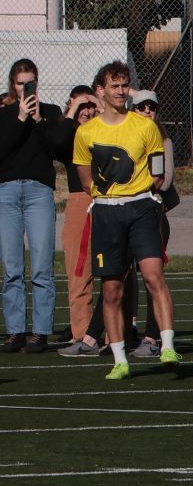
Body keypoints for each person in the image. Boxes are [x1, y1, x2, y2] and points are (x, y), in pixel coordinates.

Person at [71, 61, 179, 380]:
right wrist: (108, 197)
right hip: (107, 213)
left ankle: (167, 345)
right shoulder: (86, 132)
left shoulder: (144, 126)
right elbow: (85, 177)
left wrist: (141, 192)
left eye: (124, 85)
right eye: (114, 86)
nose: (120, 91)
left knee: (154, 275)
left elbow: (158, 172)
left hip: (142, 208)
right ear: (101, 90)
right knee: (112, 289)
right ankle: (119, 359)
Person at [0, 59, 62, 351]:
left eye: (30, 83)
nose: (25, 88)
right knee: (12, 267)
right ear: (12, 85)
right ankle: (15, 331)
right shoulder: (4, 114)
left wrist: (38, 121)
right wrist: (20, 118)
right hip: (7, 191)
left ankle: (40, 331)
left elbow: (56, 149)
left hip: (38, 192)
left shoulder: (50, 112)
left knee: (41, 266)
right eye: (20, 84)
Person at [53, 86, 102, 357]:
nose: (86, 111)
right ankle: (82, 333)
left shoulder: (105, 128)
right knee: (79, 270)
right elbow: (57, 144)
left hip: (109, 199)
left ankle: (116, 332)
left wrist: (98, 104)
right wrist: (73, 109)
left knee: (114, 270)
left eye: (89, 106)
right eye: (81, 107)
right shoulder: (71, 134)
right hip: (79, 200)